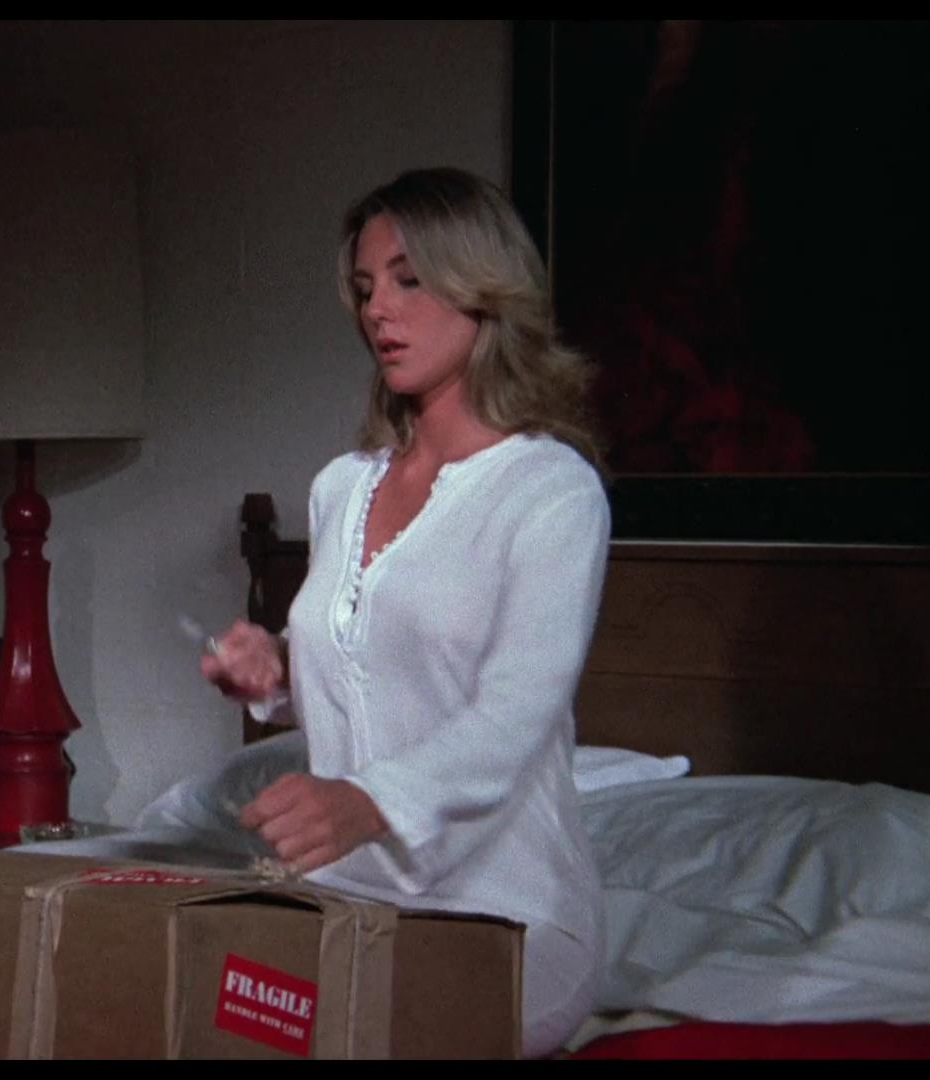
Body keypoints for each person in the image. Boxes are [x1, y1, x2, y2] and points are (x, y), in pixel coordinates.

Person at [198, 167, 611, 1058]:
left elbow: (513, 717)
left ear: (481, 288)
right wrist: (273, 668)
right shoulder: (341, 487)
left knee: (353, 1036)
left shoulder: (552, 492)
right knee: (202, 1012)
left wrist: (366, 801)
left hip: (506, 915)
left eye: (408, 280)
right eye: (364, 287)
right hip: (345, 898)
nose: (377, 309)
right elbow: (366, 669)